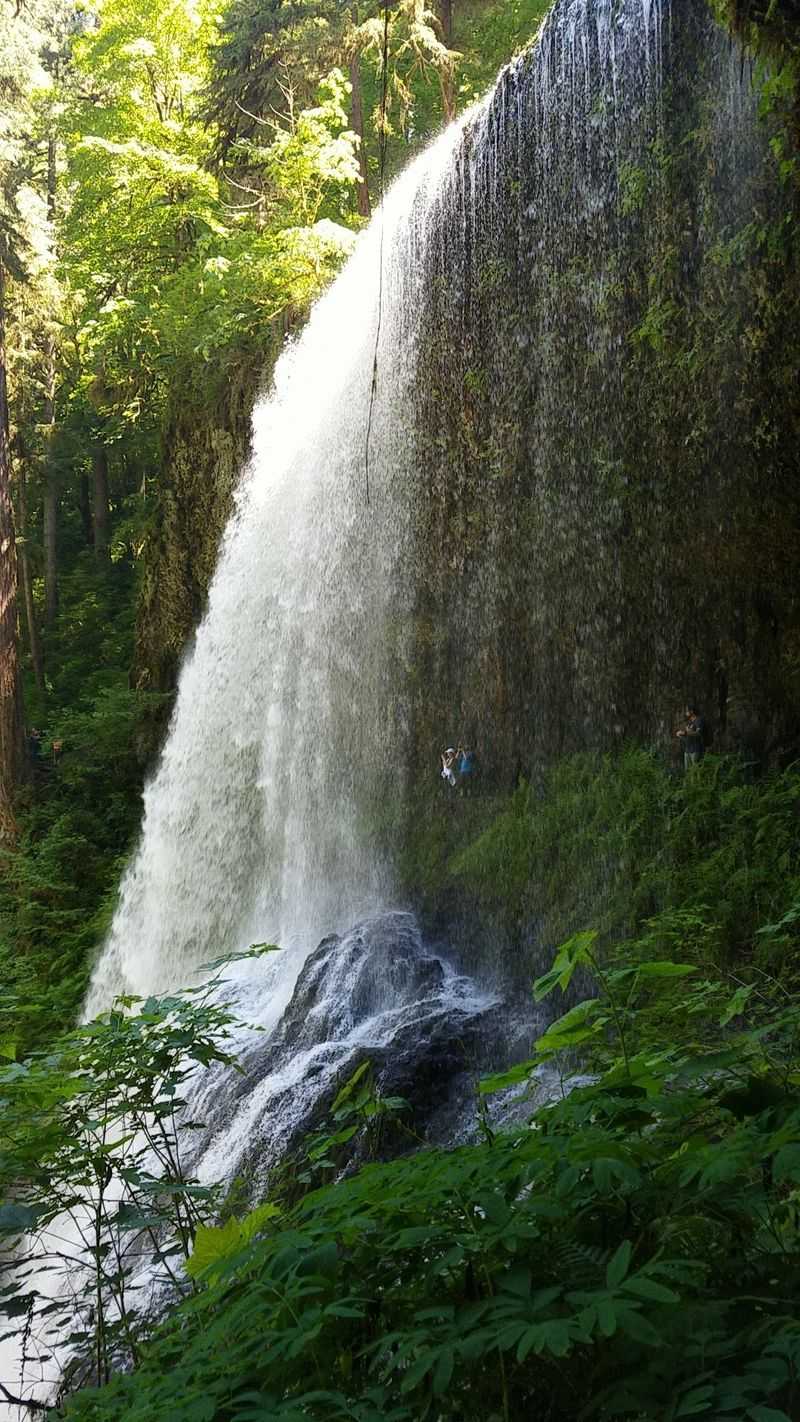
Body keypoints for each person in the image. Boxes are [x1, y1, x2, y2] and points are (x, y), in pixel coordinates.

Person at [676, 704, 705, 769]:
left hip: (695, 750)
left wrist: (685, 733)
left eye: (687, 711)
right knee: (688, 772)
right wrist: (680, 735)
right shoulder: (690, 722)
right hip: (687, 750)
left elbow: (698, 733)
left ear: (691, 711)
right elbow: (687, 736)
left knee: (696, 771)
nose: (686, 712)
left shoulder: (699, 720)